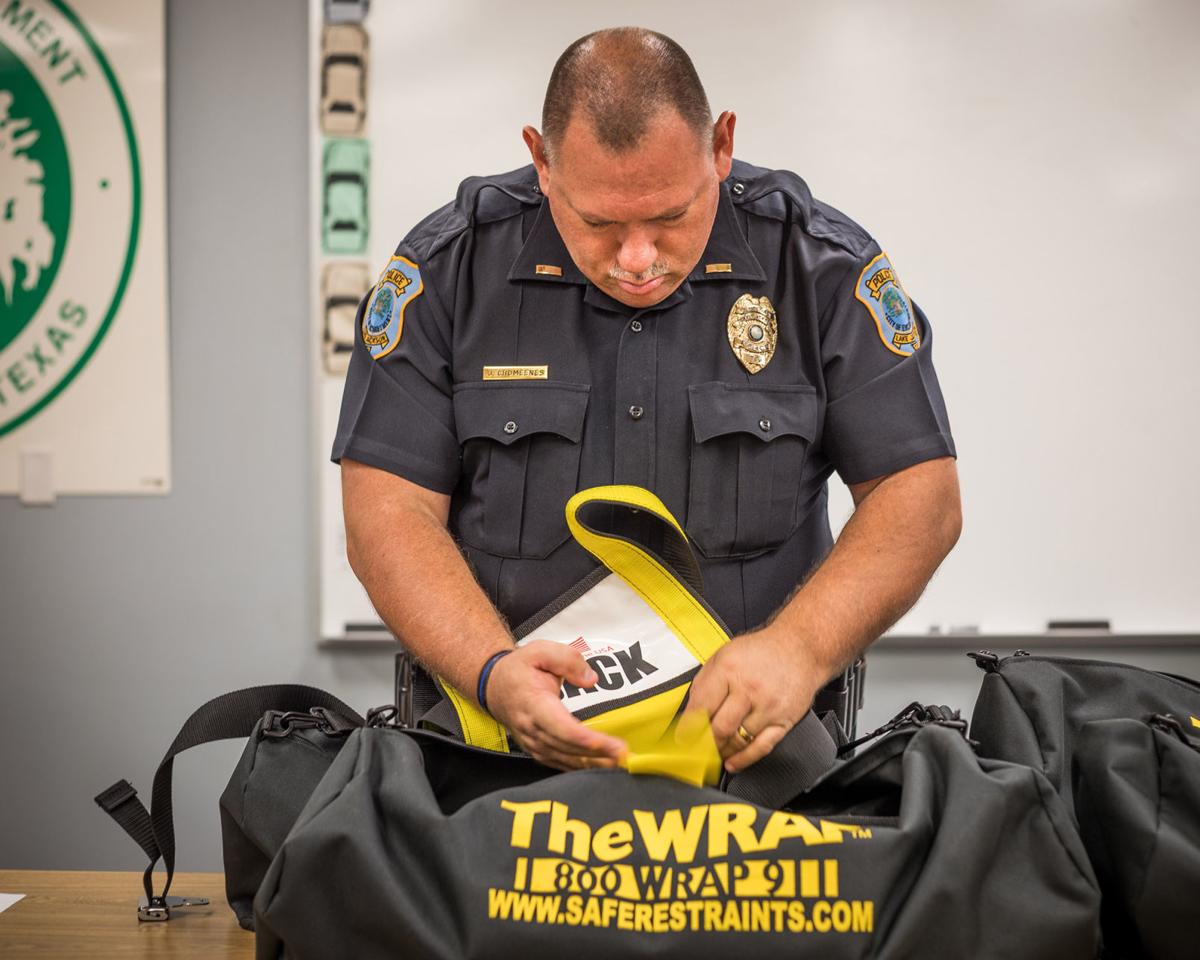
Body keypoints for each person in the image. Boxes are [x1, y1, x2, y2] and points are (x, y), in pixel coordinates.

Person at [333, 27, 961, 774]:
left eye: (670, 216)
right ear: (541, 160)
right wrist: (492, 670)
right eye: (597, 222)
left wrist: (800, 649)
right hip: (500, 752)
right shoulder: (448, 271)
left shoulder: (818, 268)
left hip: (754, 760)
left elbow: (919, 493)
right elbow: (388, 514)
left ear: (721, 146)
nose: (636, 259)